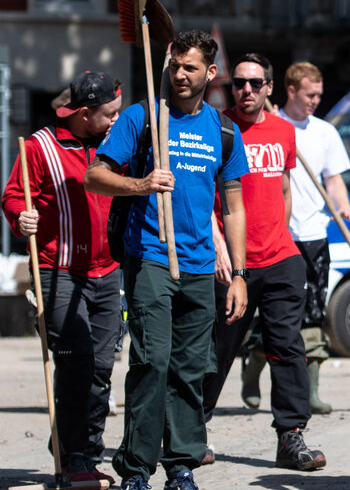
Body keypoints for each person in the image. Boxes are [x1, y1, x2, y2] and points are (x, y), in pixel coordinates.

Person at [84, 30, 250, 490]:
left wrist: (238, 273)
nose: (180, 74)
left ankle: (181, 464)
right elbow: (94, 177)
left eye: (190, 67)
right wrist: (141, 185)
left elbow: (233, 206)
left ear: (210, 74)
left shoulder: (223, 130)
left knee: (190, 369)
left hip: (199, 266)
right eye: (174, 65)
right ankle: (136, 468)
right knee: (152, 361)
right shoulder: (142, 118)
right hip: (150, 258)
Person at [200, 53, 327, 471]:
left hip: (280, 258)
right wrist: (220, 247)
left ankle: (290, 437)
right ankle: (191, 429)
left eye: (256, 83)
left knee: (287, 346)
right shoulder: (216, 127)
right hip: (230, 263)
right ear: (230, 87)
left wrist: (281, 232)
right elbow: (205, 197)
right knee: (217, 349)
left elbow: (285, 188)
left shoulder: (284, 131)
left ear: (270, 87)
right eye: (239, 83)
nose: (247, 90)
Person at [1, 70, 123, 485]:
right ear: (84, 114)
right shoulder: (40, 146)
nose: (115, 120)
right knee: (77, 364)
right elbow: (15, 196)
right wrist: (22, 217)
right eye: (109, 114)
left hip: (109, 271)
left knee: (102, 368)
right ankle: (77, 459)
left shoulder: (115, 142)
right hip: (58, 270)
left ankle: (84, 449)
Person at [274, 61, 350, 416]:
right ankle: (253, 365)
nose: (315, 101)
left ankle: (310, 390)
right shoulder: (273, 127)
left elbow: (333, 178)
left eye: (319, 96)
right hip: (278, 235)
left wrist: (343, 206)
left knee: (314, 311)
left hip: (313, 234)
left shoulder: (325, 132)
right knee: (275, 315)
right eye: (309, 95)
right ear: (290, 91)